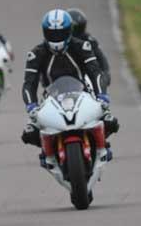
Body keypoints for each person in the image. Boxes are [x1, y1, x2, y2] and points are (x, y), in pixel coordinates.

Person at [21, 9, 119, 150]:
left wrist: (102, 96)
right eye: (52, 33)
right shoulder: (36, 54)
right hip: (50, 97)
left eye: (60, 33)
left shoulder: (82, 46)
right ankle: (47, 151)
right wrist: (31, 107)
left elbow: (95, 72)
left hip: (83, 92)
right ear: (45, 32)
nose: (56, 37)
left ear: (68, 31)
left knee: (110, 121)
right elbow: (29, 84)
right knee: (29, 133)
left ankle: (100, 141)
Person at [67, 8, 111, 86]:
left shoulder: (89, 40)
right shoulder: (59, 42)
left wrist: (106, 73)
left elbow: (100, 57)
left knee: (100, 92)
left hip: (87, 74)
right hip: (68, 76)